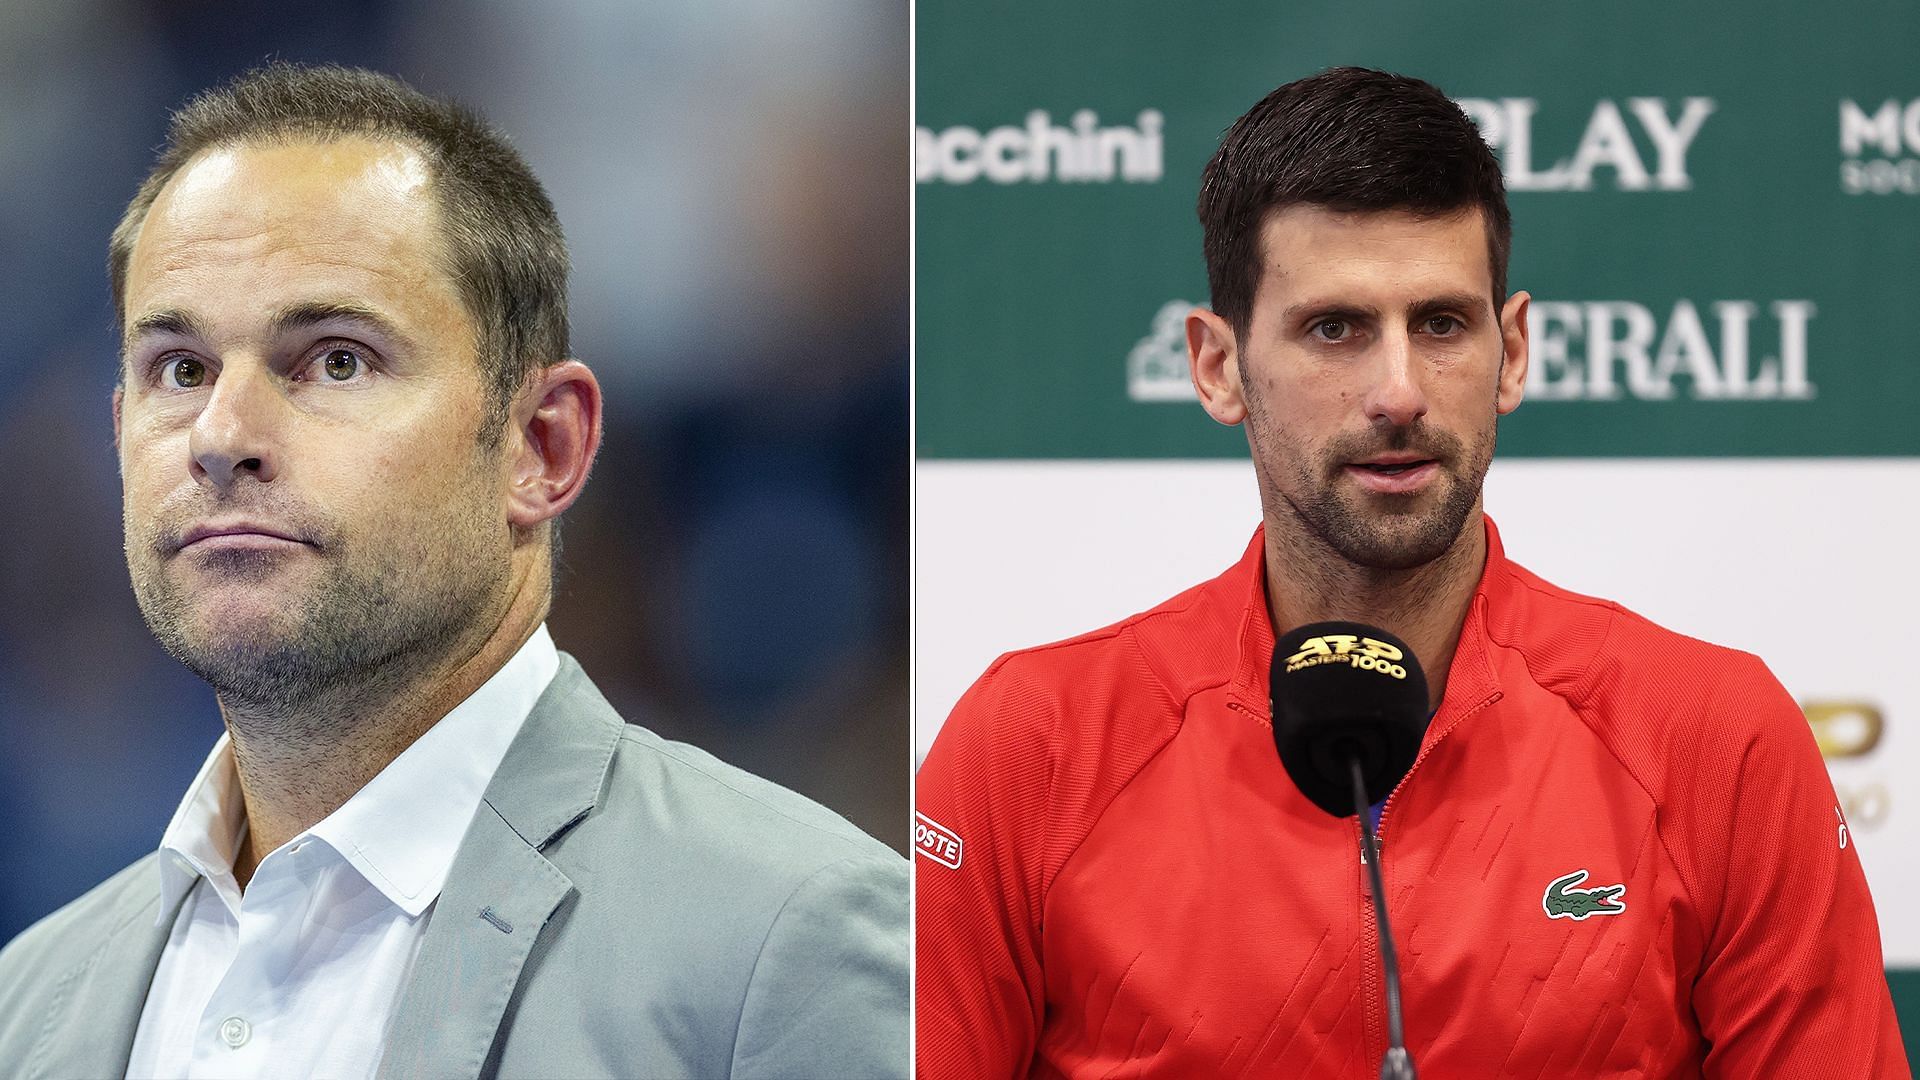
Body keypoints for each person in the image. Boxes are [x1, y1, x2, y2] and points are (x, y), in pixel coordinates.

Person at [915, 67, 1907, 1078]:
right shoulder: (1033, 748)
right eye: (1333, 328)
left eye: (1440, 324)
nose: (1397, 392)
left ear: (1512, 352)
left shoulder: (1713, 738)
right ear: (1218, 367)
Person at [0, 62, 908, 1079]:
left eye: (336, 359)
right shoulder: (27, 1005)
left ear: (542, 447)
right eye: (180, 368)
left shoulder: (789, 944)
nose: (222, 434)